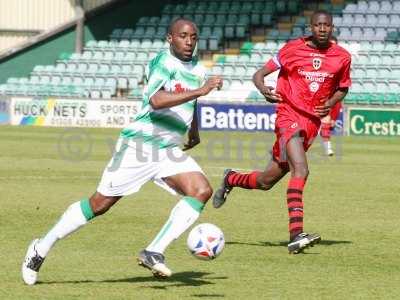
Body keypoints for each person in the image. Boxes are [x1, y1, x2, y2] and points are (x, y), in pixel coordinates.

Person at [22, 18, 223, 285]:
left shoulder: (198, 69)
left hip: (167, 150)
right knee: (99, 204)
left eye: (193, 37)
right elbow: (156, 100)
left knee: (201, 190)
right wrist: (202, 89)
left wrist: (194, 131)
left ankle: (154, 251)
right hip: (140, 145)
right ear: (170, 38)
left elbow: (192, 101)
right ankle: (40, 248)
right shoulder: (163, 62)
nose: (189, 41)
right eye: (183, 36)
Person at [213, 10, 351, 254]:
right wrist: (263, 89)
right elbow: (259, 75)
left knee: (266, 181)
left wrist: (330, 103)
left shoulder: (341, 57)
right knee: (302, 169)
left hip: (311, 124)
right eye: (318, 25)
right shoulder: (291, 49)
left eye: (326, 25)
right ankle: (296, 235)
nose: (322, 29)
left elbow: (342, 88)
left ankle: (230, 178)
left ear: (332, 28)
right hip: (288, 116)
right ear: (310, 26)